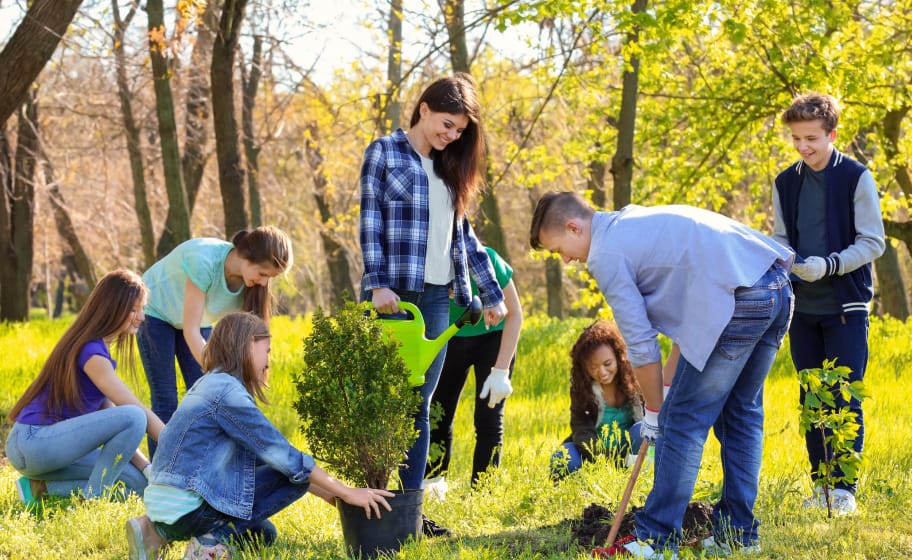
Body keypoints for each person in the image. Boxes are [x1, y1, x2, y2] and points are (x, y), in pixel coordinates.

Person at [530, 191, 794, 558]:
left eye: (560, 250)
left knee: (680, 420)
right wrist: (663, 392)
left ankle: (655, 541)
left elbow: (639, 344)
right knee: (741, 414)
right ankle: (739, 535)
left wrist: (655, 413)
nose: (567, 260)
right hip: (774, 286)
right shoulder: (632, 221)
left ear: (573, 227)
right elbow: (687, 327)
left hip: (738, 301)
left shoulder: (606, 255)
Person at [358, 73, 507, 534]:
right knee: (387, 404)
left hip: (439, 299)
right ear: (423, 109)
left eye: (460, 131)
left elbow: (464, 237)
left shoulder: (448, 169)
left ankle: (411, 516)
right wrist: (377, 282)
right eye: (447, 125)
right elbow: (370, 221)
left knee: (420, 407)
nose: (452, 136)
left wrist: (491, 294)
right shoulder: (384, 152)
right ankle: (374, 506)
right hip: (395, 297)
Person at [125, 312, 393, 560]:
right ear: (248, 345)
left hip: (166, 505)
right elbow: (284, 457)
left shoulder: (208, 383)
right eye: (267, 351)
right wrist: (346, 492)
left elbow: (260, 460)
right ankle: (209, 543)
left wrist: (328, 495)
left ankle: (154, 532)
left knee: (263, 535)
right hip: (190, 507)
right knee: (294, 476)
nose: (268, 360)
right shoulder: (229, 394)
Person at [774, 93, 885, 516]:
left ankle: (844, 491)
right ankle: (820, 487)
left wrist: (831, 264)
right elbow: (782, 237)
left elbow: (873, 242)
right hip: (801, 309)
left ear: (832, 135)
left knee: (844, 396)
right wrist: (787, 261)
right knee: (812, 397)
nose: (803, 147)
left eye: (812, 139)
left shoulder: (856, 178)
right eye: (797, 138)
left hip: (846, 306)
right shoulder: (785, 182)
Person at [5, 269, 163, 506]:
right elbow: (132, 411)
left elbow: (111, 420)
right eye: (133, 309)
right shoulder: (92, 353)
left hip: (45, 450)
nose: (140, 316)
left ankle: (41, 489)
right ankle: (92, 500)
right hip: (33, 443)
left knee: (138, 484)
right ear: (112, 307)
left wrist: (147, 468)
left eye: (142, 308)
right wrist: (177, 444)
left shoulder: (98, 350)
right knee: (134, 415)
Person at [137, 226, 292, 456]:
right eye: (262, 273)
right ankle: (160, 476)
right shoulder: (204, 261)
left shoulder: (250, 286)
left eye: (269, 278)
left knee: (207, 399)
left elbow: (244, 344)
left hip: (196, 320)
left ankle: (202, 470)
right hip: (156, 311)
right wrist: (219, 376)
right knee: (165, 397)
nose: (263, 282)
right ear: (246, 256)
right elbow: (191, 331)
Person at [425, 246, 522, 491]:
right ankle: (433, 483)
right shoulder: (430, 262)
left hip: (493, 337)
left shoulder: (488, 259)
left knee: (488, 417)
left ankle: (484, 489)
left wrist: (500, 371)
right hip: (449, 337)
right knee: (438, 413)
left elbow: (515, 314)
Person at [549, 320, 644, 480]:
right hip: (593, 455)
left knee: (643, 429)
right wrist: (605, 462)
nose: (602, 372)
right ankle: (583, 487)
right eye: (593, 367)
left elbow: (653, 420)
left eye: (608, 364)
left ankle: (637, 478)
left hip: (629, 454)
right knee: (563, 458)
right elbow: (582, 432)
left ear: (619, 357)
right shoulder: (582, 389)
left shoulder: (636, 380)